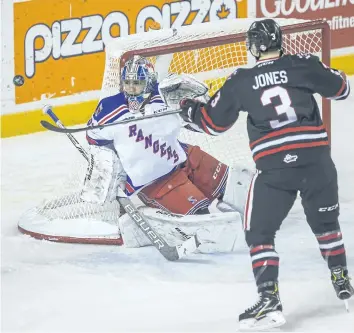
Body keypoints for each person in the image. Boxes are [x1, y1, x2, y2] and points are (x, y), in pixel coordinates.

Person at [174, 18, 353, 330]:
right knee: (326, 225)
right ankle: (341, 278)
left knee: (259, 233)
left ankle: (269, 300)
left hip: (275, 170)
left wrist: (189, 109)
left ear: (251, 47)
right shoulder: (302, 63)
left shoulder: (241, 80)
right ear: (279, 41)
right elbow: (342, 88)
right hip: (317, 163)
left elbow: (213, 124)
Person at [82, 55, 252, 249]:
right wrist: (117, 165)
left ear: (148, 83)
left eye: (136, 84)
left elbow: (198, 123)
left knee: (234, 185)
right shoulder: (109, 108)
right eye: (127, 83)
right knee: (202, 217)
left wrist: (197, 108)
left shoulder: (166, 94)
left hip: (185, 159)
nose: (131, 89)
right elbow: (94, 140)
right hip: (156, 180)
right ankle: (149, 226)